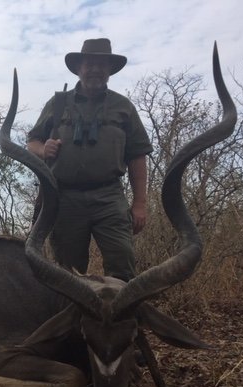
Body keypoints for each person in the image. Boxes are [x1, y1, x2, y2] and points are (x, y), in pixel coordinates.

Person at [27, 38, 152, 281]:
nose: (95, 69)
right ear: (78, 68)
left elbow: (137, 155)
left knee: (122, 261)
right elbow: (32, 142)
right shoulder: (58, 103)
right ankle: (75, 319)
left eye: (101, 64)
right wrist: (44, 150)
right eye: (89, 64)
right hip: (65, 197)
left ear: (109, 71)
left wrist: (140, 204)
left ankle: (121, 318)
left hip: (109, 196)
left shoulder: (123, 106)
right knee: (68, 271)